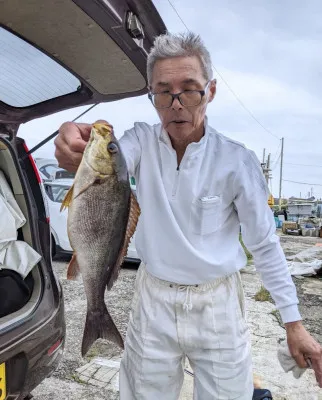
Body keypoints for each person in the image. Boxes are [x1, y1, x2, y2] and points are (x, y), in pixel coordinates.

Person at [55, 32, 322, 399]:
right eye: (163, 91)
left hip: (218, 304)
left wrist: (294, 324)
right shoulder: (141, 141)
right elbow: (110, 152)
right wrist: (75, 137)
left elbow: (265, 244)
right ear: (152, 96)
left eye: (190, 89)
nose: (176, 103)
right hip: (153, 297)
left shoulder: (237, 162)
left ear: (210, 92)